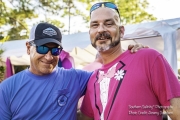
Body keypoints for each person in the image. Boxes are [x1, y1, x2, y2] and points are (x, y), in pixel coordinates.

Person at [0, 22, 144, 119]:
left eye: (55, 50)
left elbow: (116, 75)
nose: (49, 56)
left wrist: (133, 55)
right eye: (42, 48)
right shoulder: (6, 89)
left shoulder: (76, 78)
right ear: (28, 47)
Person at [79, 2, 180, 120]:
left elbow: (177, 112)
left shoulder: (148, 58)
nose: (101, 29)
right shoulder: (92, 79)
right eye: (95, 25)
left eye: (109, 23)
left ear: (121, 31)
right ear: (90, 33)